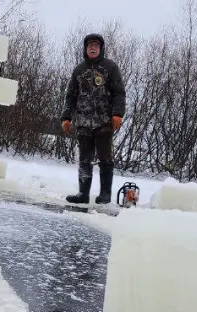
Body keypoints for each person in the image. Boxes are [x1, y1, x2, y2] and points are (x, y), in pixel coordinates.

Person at [60, 33, 126, 204]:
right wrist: (66, 117)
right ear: (85, 48)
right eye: (90, 45)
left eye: (96, 45)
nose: (93, 47)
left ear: (101, 48)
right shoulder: (79, 70)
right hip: (83, 122)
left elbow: (119, 93)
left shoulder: (110, 68)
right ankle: (83, 194)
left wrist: (117, 114)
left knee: (105, 158)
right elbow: (70, 96)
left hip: (104, 121)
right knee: (84, 159)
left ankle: (105, 194)